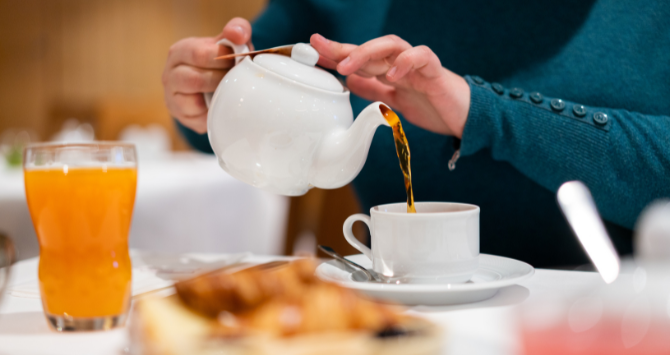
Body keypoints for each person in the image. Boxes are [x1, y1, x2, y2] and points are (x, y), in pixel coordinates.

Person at [162, 0, 670, 268]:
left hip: (616, 325)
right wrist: (204, 90)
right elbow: (235, 109)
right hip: (398, 324)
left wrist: (484, 112)